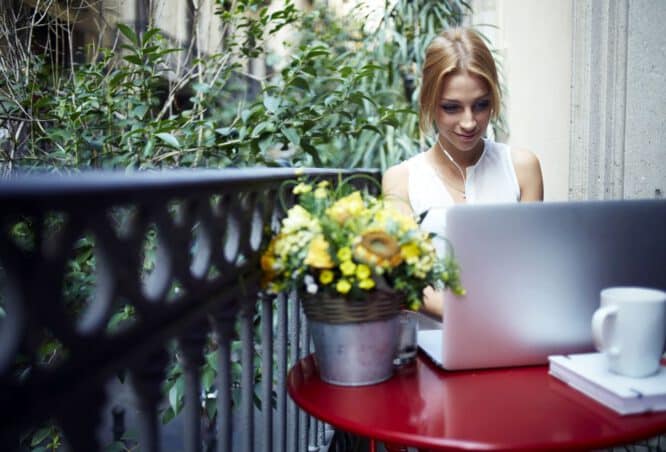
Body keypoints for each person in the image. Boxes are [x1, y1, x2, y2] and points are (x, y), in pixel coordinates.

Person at [382, 27, 544, 318]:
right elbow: (407, 281)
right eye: (452, 108)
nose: (469, 122)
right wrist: (477, 318)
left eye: (480, 105)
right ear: (430, 103)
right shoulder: (401, 180)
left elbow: (530, 267)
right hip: (430, 345)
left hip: (509, 337)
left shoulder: (523, 169)